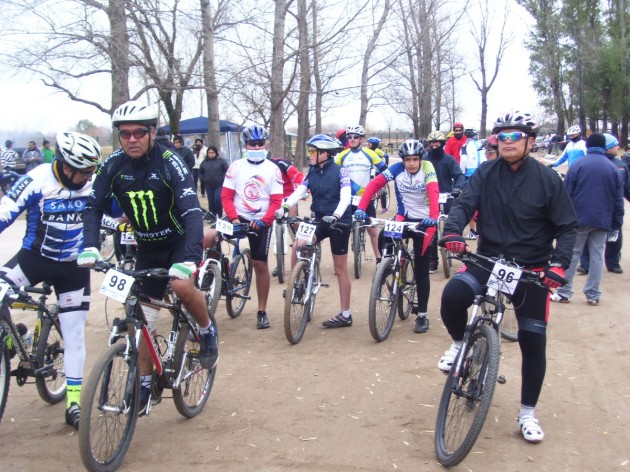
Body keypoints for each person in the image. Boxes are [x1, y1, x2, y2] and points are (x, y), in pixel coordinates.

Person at [438, 111, 578, 444]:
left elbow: (568, 226)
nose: (507, 142)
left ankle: (527, 412)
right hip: (488, 260)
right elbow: (464, 202)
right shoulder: (485, 172)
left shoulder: (547, 179)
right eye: (502, 137)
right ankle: (460, 345)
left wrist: (558, 265)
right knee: (453, 296)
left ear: (530, 141)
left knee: (533, 339)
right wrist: (454, 230)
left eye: (515, 137)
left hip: (529, 269)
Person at [79, 100, 219, 415]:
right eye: (124, 133)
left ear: (152, 132)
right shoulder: (112, 164)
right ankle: (144, 383)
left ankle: (207, 329)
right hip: (147, 245)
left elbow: (192, 211)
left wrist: (191, 258)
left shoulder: (170, 161)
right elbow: (93, 208)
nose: (131, 139)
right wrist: (89, 245)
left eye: (139, 132)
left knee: (181, 287)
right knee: (142, 321)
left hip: (179, 241)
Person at [0, 131, 101, 429]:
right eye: (83, 172)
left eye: (91, 172)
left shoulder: (93, 182)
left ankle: (73, 402)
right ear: (66, 166)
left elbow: (115, 211)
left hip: (74, 266)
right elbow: (5, 211)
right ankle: (18, 336)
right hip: (34, 259)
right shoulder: (38, 178)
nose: (87, 178)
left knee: (74, 334)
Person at [355, 139, 439, 333]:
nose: (411, 163)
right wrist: (361, 208)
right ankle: (390, 267)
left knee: (421, 270)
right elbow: (374, 185)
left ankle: (423, 315)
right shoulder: (396, 169)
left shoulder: (428, 168)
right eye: (407, 159)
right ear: (402, 160)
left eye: (415, 159)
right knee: (385, 234)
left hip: (425, 221)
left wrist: (433, 217)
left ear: (420, 159)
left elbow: (433, 192)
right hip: (404, 216)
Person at [204, 124, 283, 329]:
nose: (256, 147)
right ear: (245, 144)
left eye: (259, 143)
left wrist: (263, 221)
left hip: (261, 221)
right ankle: (210, 273)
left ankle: (262, 310)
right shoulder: (235, 166)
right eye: (252, 144)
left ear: (265, 144)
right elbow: (226, 196)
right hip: (237, 217)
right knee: (209, 237)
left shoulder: (273, 169)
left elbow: (276, 202)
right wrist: (235, 219)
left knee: (260, 265)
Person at [275, 134, 353, 328]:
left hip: (339, 221)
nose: (309, 155)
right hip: (319, 219)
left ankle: (345, 314)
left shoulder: (340, 171)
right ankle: (297, 284)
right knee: (298, 246)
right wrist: (285, 207)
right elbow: (300, 191)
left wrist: (335, 215)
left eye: (312, 151)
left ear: (325, 153)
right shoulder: (312, 172)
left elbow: (345, 198)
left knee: (340, 269)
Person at [550, 132, 624, 306]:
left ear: (588, 146)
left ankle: (564, 292)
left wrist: (561, 218)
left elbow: (566, 194)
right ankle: (593, 295)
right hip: (603, 219)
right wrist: (616, 223)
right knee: (597, 256)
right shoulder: (612, 167)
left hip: (579, 218)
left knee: (573, 254)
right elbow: (617, 199)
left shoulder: (577, 165)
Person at [334, 125, 387, 264]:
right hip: (347, 198)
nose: (351, 139)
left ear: (362, 139)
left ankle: (378, 258)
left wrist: (378, 187)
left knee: (372, 230)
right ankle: (341, 262)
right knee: (342, 230)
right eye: (349, 137)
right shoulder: (342, 155)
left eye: (355, 137)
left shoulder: (370, 154)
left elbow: (385, 171)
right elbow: (332, 171)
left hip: (366, 197)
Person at [578, 133, 630, 275]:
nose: (618, 147)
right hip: (595, 208)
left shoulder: (621, 165)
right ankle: (585, 264)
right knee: (589, 238)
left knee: (615, 237)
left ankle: (613, 263)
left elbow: (626, 187)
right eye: (614, 145)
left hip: (614, 209)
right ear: (607, 147)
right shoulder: (589, 163)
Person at [424, 130, 465, 273]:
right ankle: (432, 259)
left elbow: (459, 175)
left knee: (452, 223)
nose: (434, 146)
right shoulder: (424, 160)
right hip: (429, 197)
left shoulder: (449, 160)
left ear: (442, 144)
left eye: (437, 143)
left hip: (447, 195)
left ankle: (455, 249)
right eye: (432, 143)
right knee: (431, 228)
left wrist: (457, 188)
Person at [198, 145, 229, 217]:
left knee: (217, 200)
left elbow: (226, 170)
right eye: (209, 153)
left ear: (215, 153)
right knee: (211, 201)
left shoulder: (221, 161)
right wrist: (203, 179)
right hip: (208, 185)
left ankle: (220, 215)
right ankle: (213, 216)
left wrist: (223, 178)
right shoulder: (204, 162)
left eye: (212, 153)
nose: (211, 154)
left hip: (219, 184)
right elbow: (200, 172)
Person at [366, 137, 390, 213]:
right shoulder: (366, 151)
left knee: (382, 190)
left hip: (378, 171)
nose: (368, 144)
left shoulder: (377, 151)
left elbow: (386, 156)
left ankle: (384, 208)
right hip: (369, 171)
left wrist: (386, 165)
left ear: (373, 145)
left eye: (369, 143)